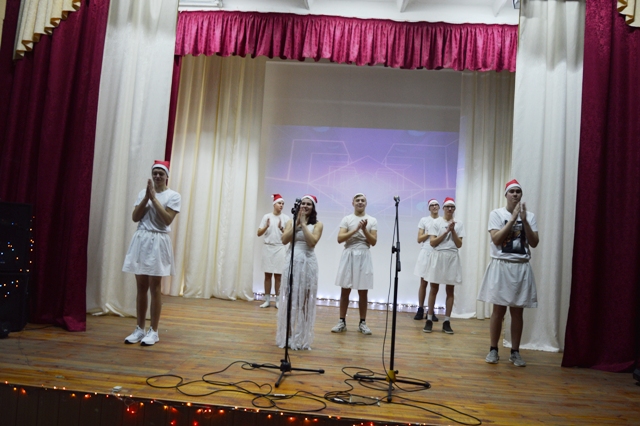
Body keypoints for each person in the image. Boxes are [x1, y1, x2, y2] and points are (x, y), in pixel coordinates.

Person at [477, 179, 539, 367]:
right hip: (501, 265)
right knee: (498, 310)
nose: (515, 194)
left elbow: (534, 242)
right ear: (506, 194)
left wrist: (524, 220)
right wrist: (512, 220)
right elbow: (496, 239)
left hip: (520, 266)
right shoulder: (496, 214)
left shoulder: (530, 216)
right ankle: (493, 349)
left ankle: (515, 352)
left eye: (518, 191)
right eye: (512, 191)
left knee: (517, 311)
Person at [122, 160, 181, 346]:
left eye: (161, 173)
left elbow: (167, 220)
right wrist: (146, 198)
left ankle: (153, 331)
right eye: (154, 173)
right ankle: (139, 328)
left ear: (166, 176)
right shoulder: (143, 193)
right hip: (141, 239)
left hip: (158, 240)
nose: (157, 176)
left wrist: (154, 199)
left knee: (155, 286)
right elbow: (135, 217)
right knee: (141, 286)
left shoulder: (173, 196)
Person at [276, 195, 323, 350]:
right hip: (292, 262)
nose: (305, 206)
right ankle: (288, 336)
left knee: (303, 303)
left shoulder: (318, 224)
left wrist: (303, 224)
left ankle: (301, 337)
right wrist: (296, 224)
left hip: (308, 263)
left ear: (313, 207)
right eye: (303, 203)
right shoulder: (291, 222)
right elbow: (284, 240)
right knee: (290, 300)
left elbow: (312, 242)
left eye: (308, 204)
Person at [331, 193, 378, 335]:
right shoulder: (347, 219)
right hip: (349, 253)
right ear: (353, 203)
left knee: (363, 291)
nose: (360, 202)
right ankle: (342, 321)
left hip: (364, 254)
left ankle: (362, 322)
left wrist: (364, 230)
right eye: (357, 200)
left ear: (366, 203)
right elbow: (340, 238)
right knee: (345, 289)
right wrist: (356, 230)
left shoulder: (372, 220)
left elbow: (373, 242)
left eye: (363, 200)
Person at [423, 197, 464, 334]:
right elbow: (432, 242)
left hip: (452, 257)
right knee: (433, 288)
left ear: (454, 209)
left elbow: (459, 244)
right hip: (438, 256)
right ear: (443, 208)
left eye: (452, 207)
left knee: (450, 290)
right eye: (447, 207)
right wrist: (446, 232)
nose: (450, 209)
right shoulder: (436, 222)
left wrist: (453, 231)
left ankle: (447, 321)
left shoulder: (459, 224)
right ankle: (429, 319)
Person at [257, 194, 290, 308]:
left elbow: (288, 235)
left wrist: (281, 228)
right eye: (279, 203)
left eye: (283, 203)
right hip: (268, 247)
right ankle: (267, 300)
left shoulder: (286, 218)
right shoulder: (267, 217)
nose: (281, 205)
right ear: (274, 204)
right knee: (267, 275)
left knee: (278, 276)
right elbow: (258, 233)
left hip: (280, 248)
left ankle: (278, 301)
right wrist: (266, 226)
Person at [413, 198, 441, 321]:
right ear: (429, 208)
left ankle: (431, 310)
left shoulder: (442, 221)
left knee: (434, 284)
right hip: (425, 252)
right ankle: (420, 308)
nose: (434, 207)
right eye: (432, 205)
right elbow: (419, 239)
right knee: (423, 282)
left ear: (439, 207)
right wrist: (429, 233)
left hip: (437, 252)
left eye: (436, 205)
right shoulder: (424, 220)